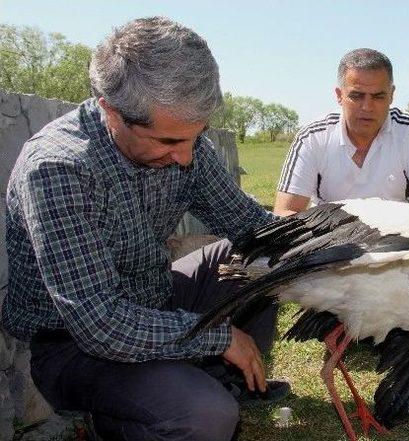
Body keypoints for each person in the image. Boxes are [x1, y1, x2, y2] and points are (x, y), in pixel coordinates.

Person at [2, 17, 288, 441]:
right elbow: (101, 324)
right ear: (110, 110)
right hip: (73, 345)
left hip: (155, 298)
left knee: (259, 259)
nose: (188, 157)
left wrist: (336, 250)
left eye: (197, 136)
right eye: (169, 142)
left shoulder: (182, 139)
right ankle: (124, 419)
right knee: (205, 416)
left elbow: (251, 225)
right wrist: (219, 337)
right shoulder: (58, 168)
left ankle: (217, 380)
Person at [274, 48, 409, 257]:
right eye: (356, 96)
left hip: (404, 242)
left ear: (392, 95)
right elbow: (286, 214)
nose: (367, 107)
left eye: (378, 96)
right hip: (331, 246)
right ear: (339, 96)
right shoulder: (312, 136)